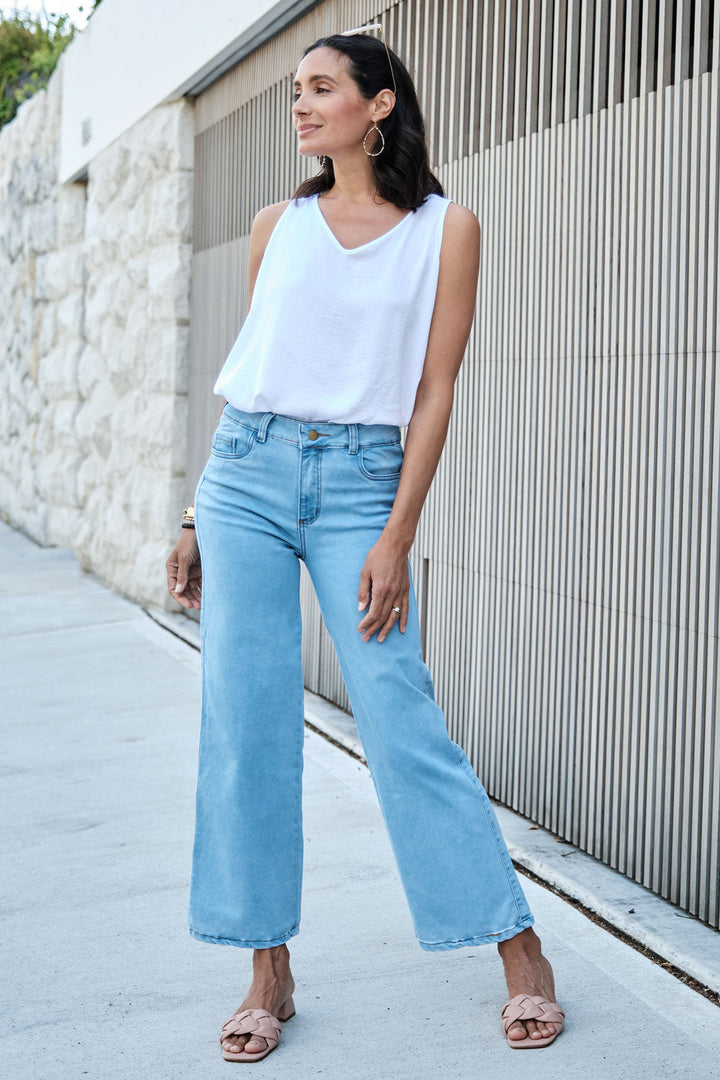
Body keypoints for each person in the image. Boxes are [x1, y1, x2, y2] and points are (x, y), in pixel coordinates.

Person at [166, 27, 564, 1063]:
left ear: (378, 104)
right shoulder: (276, 227)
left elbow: (434, 392)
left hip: (361, 486)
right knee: (245, 725)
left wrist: (398, 533)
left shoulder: (446, 228)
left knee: (400, 719)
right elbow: (257, 366)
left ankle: (518, 950)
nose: (299, 106)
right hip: (247, 475)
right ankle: (266, 966)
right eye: (294, 91)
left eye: (320, 89)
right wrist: (198, 515)